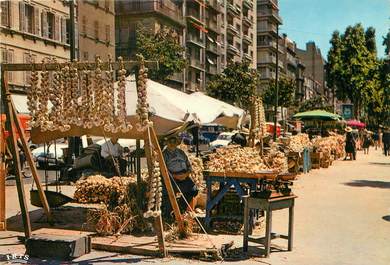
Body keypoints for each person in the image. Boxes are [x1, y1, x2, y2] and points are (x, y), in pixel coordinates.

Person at [162, 136, 198, 215]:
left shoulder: (181, 153)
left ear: (176, 143)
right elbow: (163, 170)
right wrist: (174, 176)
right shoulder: (164, 154)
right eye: (170, 142)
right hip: (171, 177)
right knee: (168, 194)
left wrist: (186, 174)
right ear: (167, 143)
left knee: (193, 190)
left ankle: (180, 208)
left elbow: (189, 166)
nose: (172, 144)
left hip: (184, 176)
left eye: (174, 142)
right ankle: (169, 213)